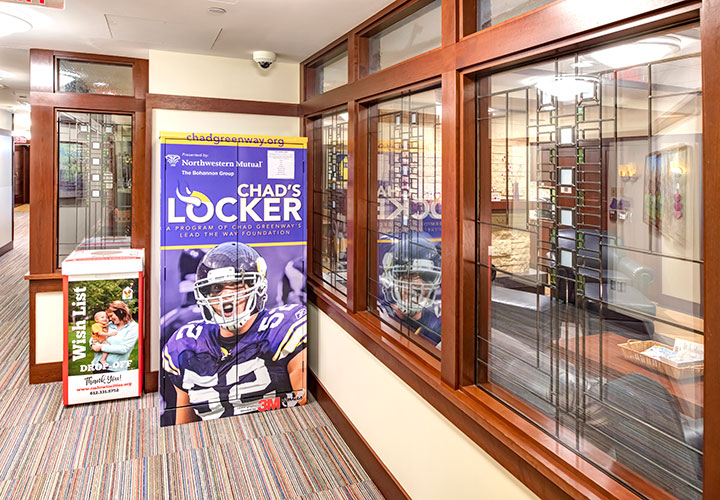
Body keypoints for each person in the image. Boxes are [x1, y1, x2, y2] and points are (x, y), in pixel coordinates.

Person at [162, 242, 307, 424]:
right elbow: (184, 431)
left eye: (236, 284)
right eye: (216, 288)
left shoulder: (285, 328)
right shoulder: (185, 344)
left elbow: (306, 419)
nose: (225, 296)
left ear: (258, 287)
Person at [378, 233, 442, 347]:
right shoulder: (381, 316)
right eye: (409, 275)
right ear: (393, 279)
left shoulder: (437, 326)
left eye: (426, 276)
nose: (417, 283)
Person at [91, 301, 139, 372]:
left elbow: (124, 349)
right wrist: (92, 344)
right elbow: (95, 336)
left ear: (120, 312)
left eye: (111, 316)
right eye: (108, 317)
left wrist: (101, 347)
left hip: (114, 369)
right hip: (97, 366)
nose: (110, 319)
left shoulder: (133, 328)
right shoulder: (109, 324)